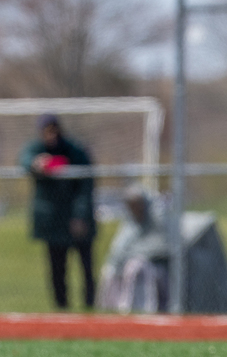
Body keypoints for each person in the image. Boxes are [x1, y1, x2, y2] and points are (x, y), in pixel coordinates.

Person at [19, 115, 96, 310]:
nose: (51, 135)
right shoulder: (37, 149)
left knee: (86, 267)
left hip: (76, 219)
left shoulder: (75, 150)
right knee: (57, 268)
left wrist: (80, 216)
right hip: (53, 222)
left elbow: (86, 185)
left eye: (54, 130)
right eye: (47, 131)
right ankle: (61, 307)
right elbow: (24, 159)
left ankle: (90, 305)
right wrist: (36, 163)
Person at [98, 188, 169, 312]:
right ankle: (111, 308)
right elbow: (119, 248)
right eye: (131, 206)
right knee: (110, 270)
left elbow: (160, 246)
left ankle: (139, 307)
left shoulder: (156, 219)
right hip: (128, 262)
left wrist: (136, 255)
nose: (134, 210)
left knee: (135, 267)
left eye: (137, 206)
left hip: (156, 266)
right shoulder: (131, 222)